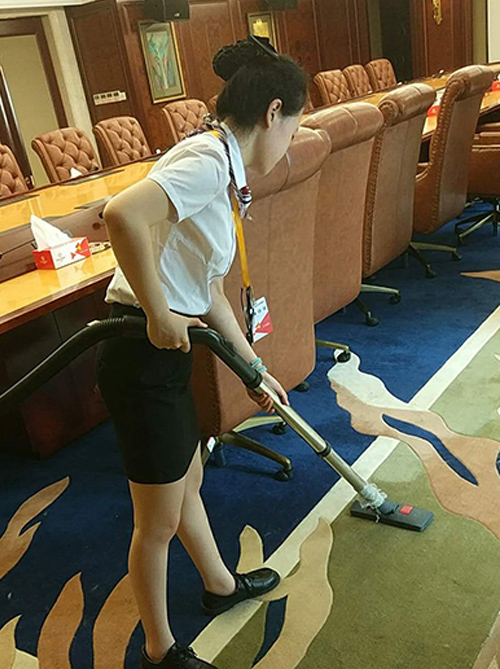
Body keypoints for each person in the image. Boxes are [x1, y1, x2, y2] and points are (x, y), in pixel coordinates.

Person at [97, 36, 308, 669]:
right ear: (273, 112)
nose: (290, 144)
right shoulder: (209, 161)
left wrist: (252, 369)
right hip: (138, 352)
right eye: (293, 130)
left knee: (187, 479)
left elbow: (209, 289)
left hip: (162, 355)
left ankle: (219, 584)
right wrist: (159, 312)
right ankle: (160, 651)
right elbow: (120, 214)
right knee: (155, 522)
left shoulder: (223, 168)